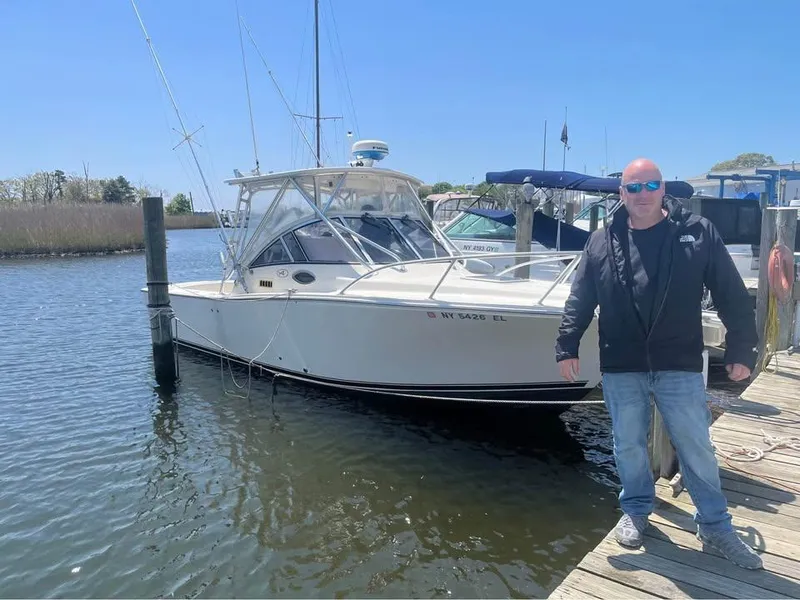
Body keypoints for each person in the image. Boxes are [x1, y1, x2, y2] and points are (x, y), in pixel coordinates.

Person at [555, 158, 762, 570]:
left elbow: (731, 293)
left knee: (696, 446)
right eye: (634, 187)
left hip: (678, 361)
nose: (643, 194)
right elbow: (580, 298)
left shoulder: (697, 233)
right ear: (622, 194)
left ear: (663, 190)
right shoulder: (600, 241)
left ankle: (716, 524)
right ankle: (635, 509)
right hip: (621, 363)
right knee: (628, 444)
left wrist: (742, 348)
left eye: (651, 185)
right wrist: (567, 344)